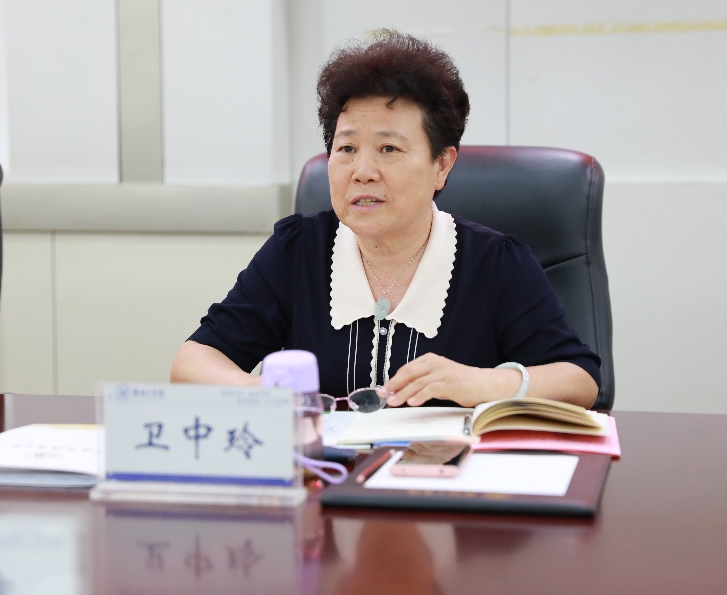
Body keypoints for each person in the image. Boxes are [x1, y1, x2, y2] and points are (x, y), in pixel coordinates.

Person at [171, 30, 600, 409]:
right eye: (346, 149)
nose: (362, 171)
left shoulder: (496, 263)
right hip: (328, 472)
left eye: (388, 149)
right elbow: (194, 362)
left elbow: (580, 380)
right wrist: (262, 393)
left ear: (441, 164)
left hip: (446, 473)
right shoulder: (298, 250)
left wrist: (486, 383)